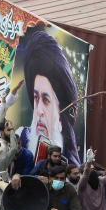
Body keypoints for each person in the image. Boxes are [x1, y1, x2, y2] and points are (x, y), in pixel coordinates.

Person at [17, 28, 79, 162]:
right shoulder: (21, 137)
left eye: (45, 100)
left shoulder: (69, 166)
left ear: (61, 119)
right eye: (36, 98)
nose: (38, 110)